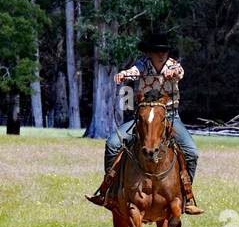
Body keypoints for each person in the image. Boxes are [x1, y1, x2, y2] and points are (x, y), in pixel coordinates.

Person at [87, 32, 203, 215]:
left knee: (191, 152)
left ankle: (186, 196)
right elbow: (134, 71)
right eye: (157, 51)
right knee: (112, 144)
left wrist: (174, 74)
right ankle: (108, 192)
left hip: (169, 116)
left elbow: (179, 73)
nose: (161, 54)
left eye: (164, 51)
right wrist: (124, 74)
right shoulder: (143, 64)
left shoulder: (173, 65)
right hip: (143, 116)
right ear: (149, 52)